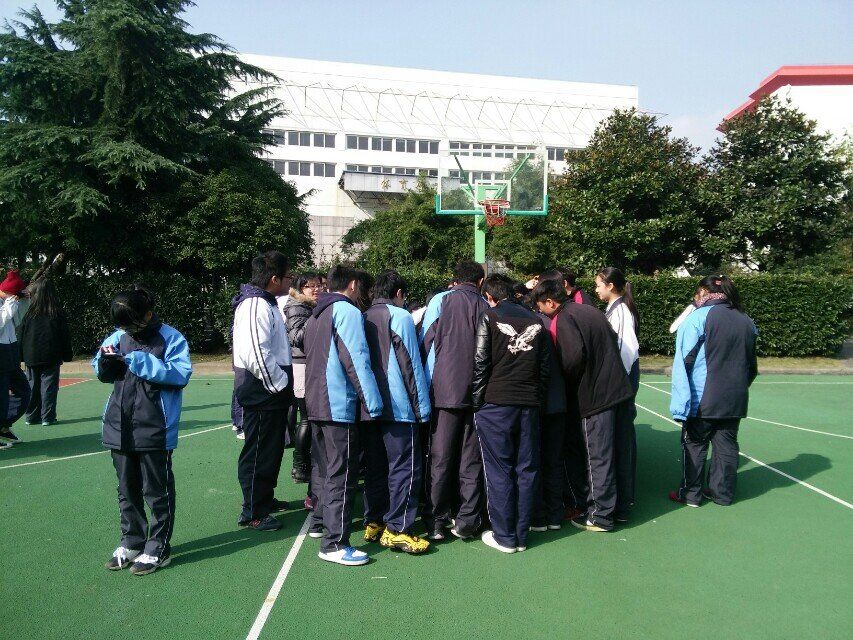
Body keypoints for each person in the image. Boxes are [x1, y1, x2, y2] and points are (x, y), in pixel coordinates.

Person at [93, 288, 192, 575]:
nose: (126, 331)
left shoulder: (170, 337)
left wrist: (139, 360)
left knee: (156, 490)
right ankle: (132, 540)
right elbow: (100, 368)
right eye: (122, 326)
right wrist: (105, 364)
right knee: (126, 488)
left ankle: (159, 546)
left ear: (148, 314)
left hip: (155, 427)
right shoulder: (118, 336)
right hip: (119, 425)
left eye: (131, 324)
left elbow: (180, 374)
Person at [531, 279, 633, 532]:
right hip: (618, 390)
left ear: (550, 302)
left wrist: (563, 383)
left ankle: (600, 515)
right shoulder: (590, 310)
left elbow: (572, 359)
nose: (540, 311)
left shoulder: (564, 318)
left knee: (597, 456)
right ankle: (620, 509)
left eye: (540, 306)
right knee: (617, 452)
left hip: (595, 396)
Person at [304, 265, 383, 566]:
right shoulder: (346, 311)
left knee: (324, 471)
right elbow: (356, 360)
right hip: (337, 405)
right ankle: (335, 543)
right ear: (352, 284)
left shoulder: (316, 314)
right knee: (342, 475)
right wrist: (373, 405)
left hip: (316, 404)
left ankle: (320, 523)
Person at [472, 274, 549, 553]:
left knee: (499, 470)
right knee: (526, 469)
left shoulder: (489, 317)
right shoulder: (536, 320)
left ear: (490, 297)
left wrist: (477, 403)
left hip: (497, 404)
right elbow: (544, 368)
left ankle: (504, 536)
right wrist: (537, 399)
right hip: (529, 404)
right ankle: (520, 535)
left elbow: (480, 363)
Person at [669, 275, 757, 507]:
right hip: (734, 398)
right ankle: (722, 494)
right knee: (726, 446)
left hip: (703, 397)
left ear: (703, 292)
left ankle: (691, 494)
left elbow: (683, 362)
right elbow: (752, 366)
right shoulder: (746, 320)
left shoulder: (698, 318)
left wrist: (681, 404)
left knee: (694, 444)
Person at [361, 270, 431, 554]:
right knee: (405, 467)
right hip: (398, 407)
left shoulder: (363, 315)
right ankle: (398, 529)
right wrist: (422, 409)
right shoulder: (400, 316)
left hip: (369, 408)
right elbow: (410, 364)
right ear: (399, 293)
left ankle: (374, 521)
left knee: (376, 467)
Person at [419, 260, 488, 540]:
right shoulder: (485, 305)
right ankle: (467, 520)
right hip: (477, 394)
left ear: (455, 279)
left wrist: (427, 389)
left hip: (444, 392)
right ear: (480, 282)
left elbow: (426, 344)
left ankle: (436, 520)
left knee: (440, 458)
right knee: (471, 459)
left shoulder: (441, 301)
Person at [232, 251, 294, 532]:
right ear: (274, 279)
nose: (291, 281)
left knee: (270, 450)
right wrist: (278, 384)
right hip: (262, 392)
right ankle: (253, 511)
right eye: (288, 276)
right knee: (258, 452)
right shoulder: (254, 304)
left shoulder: (265, 302)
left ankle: (264, 499)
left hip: (270, 391)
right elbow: (256, 352)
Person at [595, 267, 640, 518]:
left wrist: (613, 384)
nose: (596, 289)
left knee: (621, 441)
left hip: (620, 386)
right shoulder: (614, 309)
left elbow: (626, 351)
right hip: (619, 385)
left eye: (599, 285)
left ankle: (623, 502)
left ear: (610, 285)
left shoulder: (621, 311)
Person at [284, 273, 321, 490]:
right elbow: (297, 337)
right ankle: (300, 466)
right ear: (300, 289)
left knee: (309, 418)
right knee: (306, 418)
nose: (316, 289)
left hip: (309, 363)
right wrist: (317, 320)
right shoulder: (297, 306)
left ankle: (304, 465)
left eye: (319, 285)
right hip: (301, 364)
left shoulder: (310, 306)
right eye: (310, 286)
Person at [19, 278, 73, 426]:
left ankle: (31, 416)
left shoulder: (29, 314)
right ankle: (48, 417)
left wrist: (20, 355)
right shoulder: (57, 313)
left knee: (32, 385)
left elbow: (21, 335)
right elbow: (65, 336)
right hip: (51, 355)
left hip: (31, 356)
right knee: (49, 387)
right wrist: (67, 355)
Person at [0, 269, 30, 447]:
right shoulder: (6, 303)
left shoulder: (8, 301)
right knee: (1, 397)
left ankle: (3, 426)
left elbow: (17, 319)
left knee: (24, 392)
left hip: (10, 353)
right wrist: (10, 303)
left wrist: (24, 301)